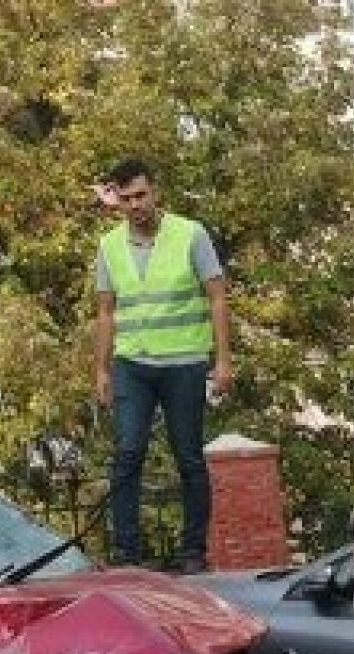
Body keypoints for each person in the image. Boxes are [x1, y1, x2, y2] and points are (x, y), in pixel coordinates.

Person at [91, 158, 233, 573]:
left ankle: (193, 552)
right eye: (127, 198)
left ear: (155, 193)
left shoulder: (191, 234)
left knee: (188, 455)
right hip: (132, 364)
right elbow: (105, 312)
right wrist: (100, 369)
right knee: (127, 452)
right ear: (117, 200)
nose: (136, 205)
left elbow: (217, 297)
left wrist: (223, 360)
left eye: (142, 195)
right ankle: (126, 554)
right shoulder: (109, 245)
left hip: (184, 363)